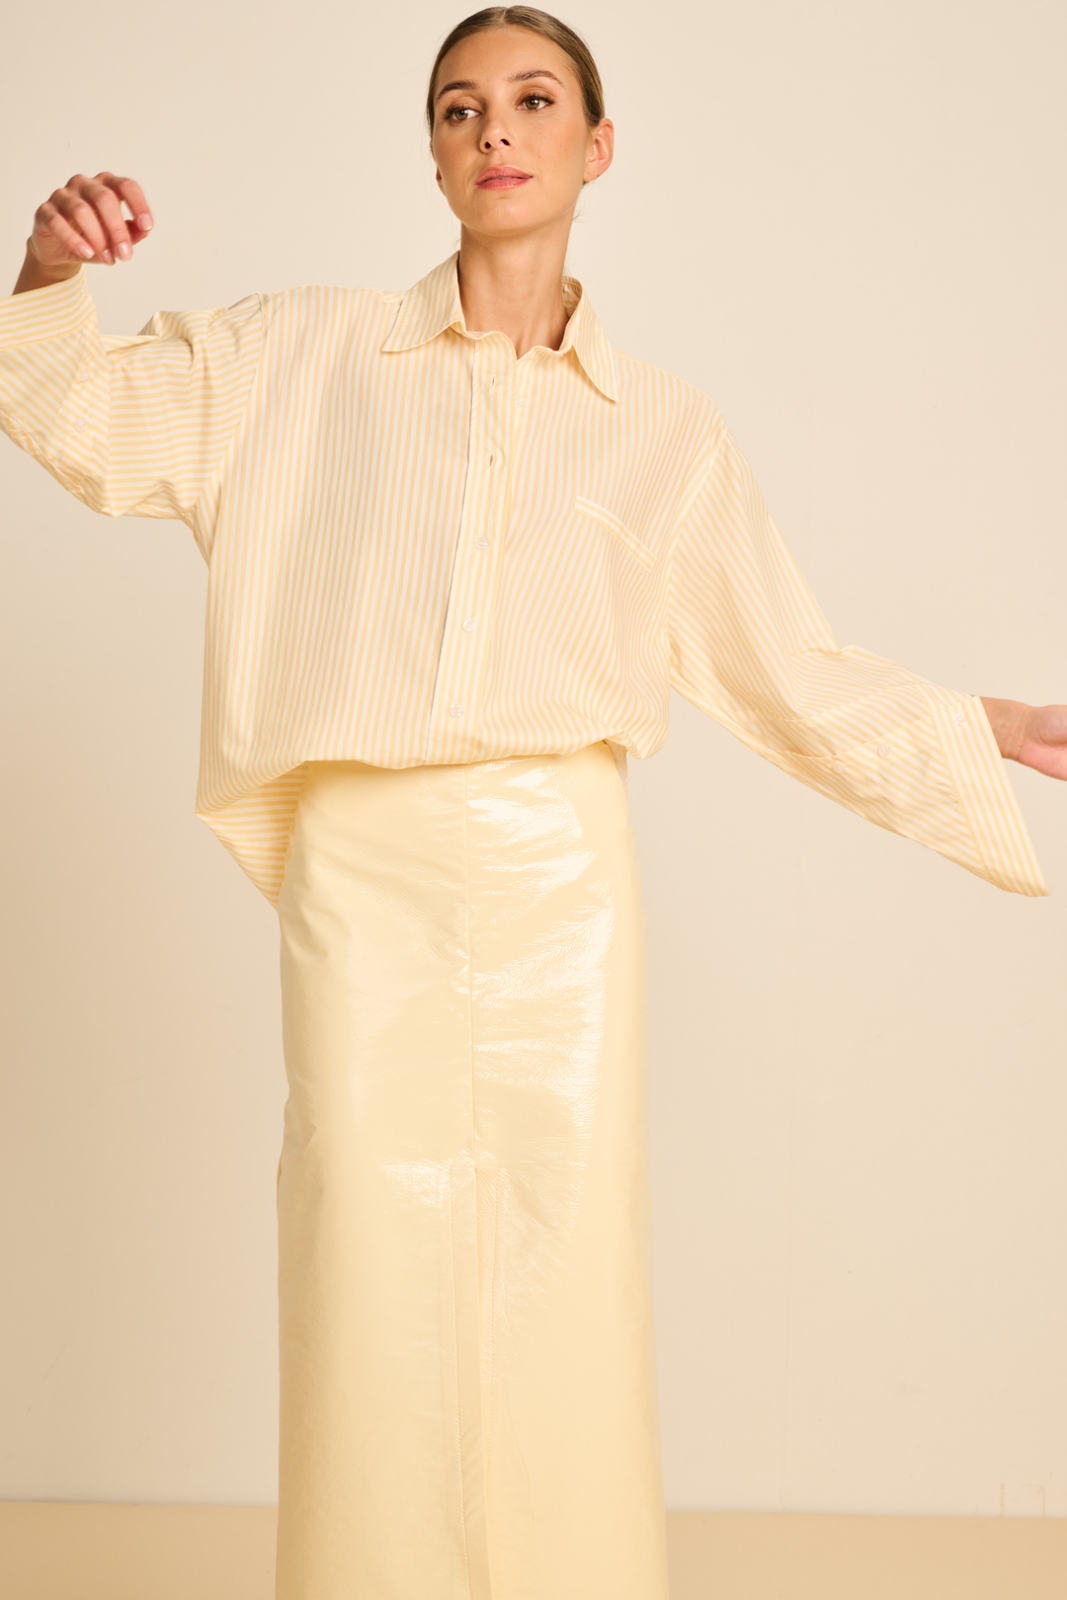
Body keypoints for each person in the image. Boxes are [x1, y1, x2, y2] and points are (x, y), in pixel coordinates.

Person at [1, 7, 1063, 1598]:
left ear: (595, 144)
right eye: (457, 106)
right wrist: (48, 266)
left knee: (563, 1259)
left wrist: (978, 726)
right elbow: (76, 411)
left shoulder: (661, 431)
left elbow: (783, 666)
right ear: (432, 154)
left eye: (532, 98)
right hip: (360, 868)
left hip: (563, 880)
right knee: (362, 1249)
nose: (493, 129)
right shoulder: (295, 354)